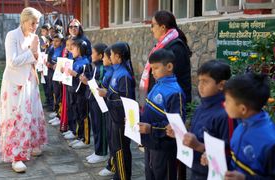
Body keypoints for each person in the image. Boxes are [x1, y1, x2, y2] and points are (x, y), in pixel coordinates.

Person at [167, 59, 233, 180]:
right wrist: (180, 134)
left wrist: (198, 146)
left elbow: (229, 153)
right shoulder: (201, 107)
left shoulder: (226, 114)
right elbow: (195, 136)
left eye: (206, 82)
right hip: (196, 169)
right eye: (199, 81)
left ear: (221, 85)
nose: (200, 86)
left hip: (213, 175)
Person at [0, 7, 47, 173]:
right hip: (14, 84)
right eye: (33, 23)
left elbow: (36, 60)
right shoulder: (12, 35)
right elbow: (12, 61)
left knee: (32, 113)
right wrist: (32, 51)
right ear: (24, 20)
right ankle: (16, 156)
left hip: (30, 81)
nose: (35, 26)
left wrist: (38, 55)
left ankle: (32, 145)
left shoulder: (34, 37)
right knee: (16, 117)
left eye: (37, 23)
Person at [139, 49, 186, 180]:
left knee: (163, 175)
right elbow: (149, 111)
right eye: (151, 68)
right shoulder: (156, 85)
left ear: (169, 67)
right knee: (150, 173)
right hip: (150, 143)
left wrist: (151, 129)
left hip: (164, 147)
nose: (152, 72)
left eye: (156, 68)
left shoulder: (175, 92)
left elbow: (176, 126)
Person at [223, 73, 275, 180]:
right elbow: (236, 161)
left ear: (243, 109)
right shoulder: (242, 124)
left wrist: (245, 178)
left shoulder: (270, 142)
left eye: (227, 101)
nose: (224, 104)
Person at [98, 42, 136, 180]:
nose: (109, 56)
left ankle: (123, 176)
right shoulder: (116, 71)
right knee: (115, 148)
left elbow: (126, 101)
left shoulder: (123, 75)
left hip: (121, 120)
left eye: (112, 54)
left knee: (121, 150)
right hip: (114, 117)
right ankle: (118, 175)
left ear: (118, 57)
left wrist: (107, 94)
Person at [79, 43, 109, 164]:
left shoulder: (102, 67)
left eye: (93, 53)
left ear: (101, 56)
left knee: (101, 127)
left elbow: (101, 84)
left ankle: (102, 153)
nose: (91, 55)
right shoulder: (95, 66)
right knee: (96, 126)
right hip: (93, 100)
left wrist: (87, 82)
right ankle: (97, 150)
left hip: (99, 102)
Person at [65, 39, 91, 149]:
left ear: (80, 49)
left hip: (81, 93)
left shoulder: (85, 63)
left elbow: (84, 79)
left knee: (83, 115)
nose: (71, 49)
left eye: (74, 47)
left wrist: (74, 74)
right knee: (77, 114)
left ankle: (85, 139)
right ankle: (79, 136)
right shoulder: (75, 61)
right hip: (74, 91)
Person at [98, 46, 116, 177]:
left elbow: (117, 95)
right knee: (111, 139)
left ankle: (114, 167)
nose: (103, 58)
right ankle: (112, 164)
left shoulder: (115, 73)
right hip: (108, 109)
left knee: (116, 143)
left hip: (114, 112)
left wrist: (106, 93)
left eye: (105, 56)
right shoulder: (110, 71)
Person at [47, 33, 64, 126]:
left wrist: (56, 65)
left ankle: (60, 115)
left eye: (57, 41)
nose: (55, 42)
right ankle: (57, 112)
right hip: (52, 74)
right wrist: (49, 64)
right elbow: (51, 60)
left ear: (61, 42)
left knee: (59, 95)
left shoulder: (62, 50)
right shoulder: (52, 49)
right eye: (54, 40)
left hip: (59, 76)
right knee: (55, 93)